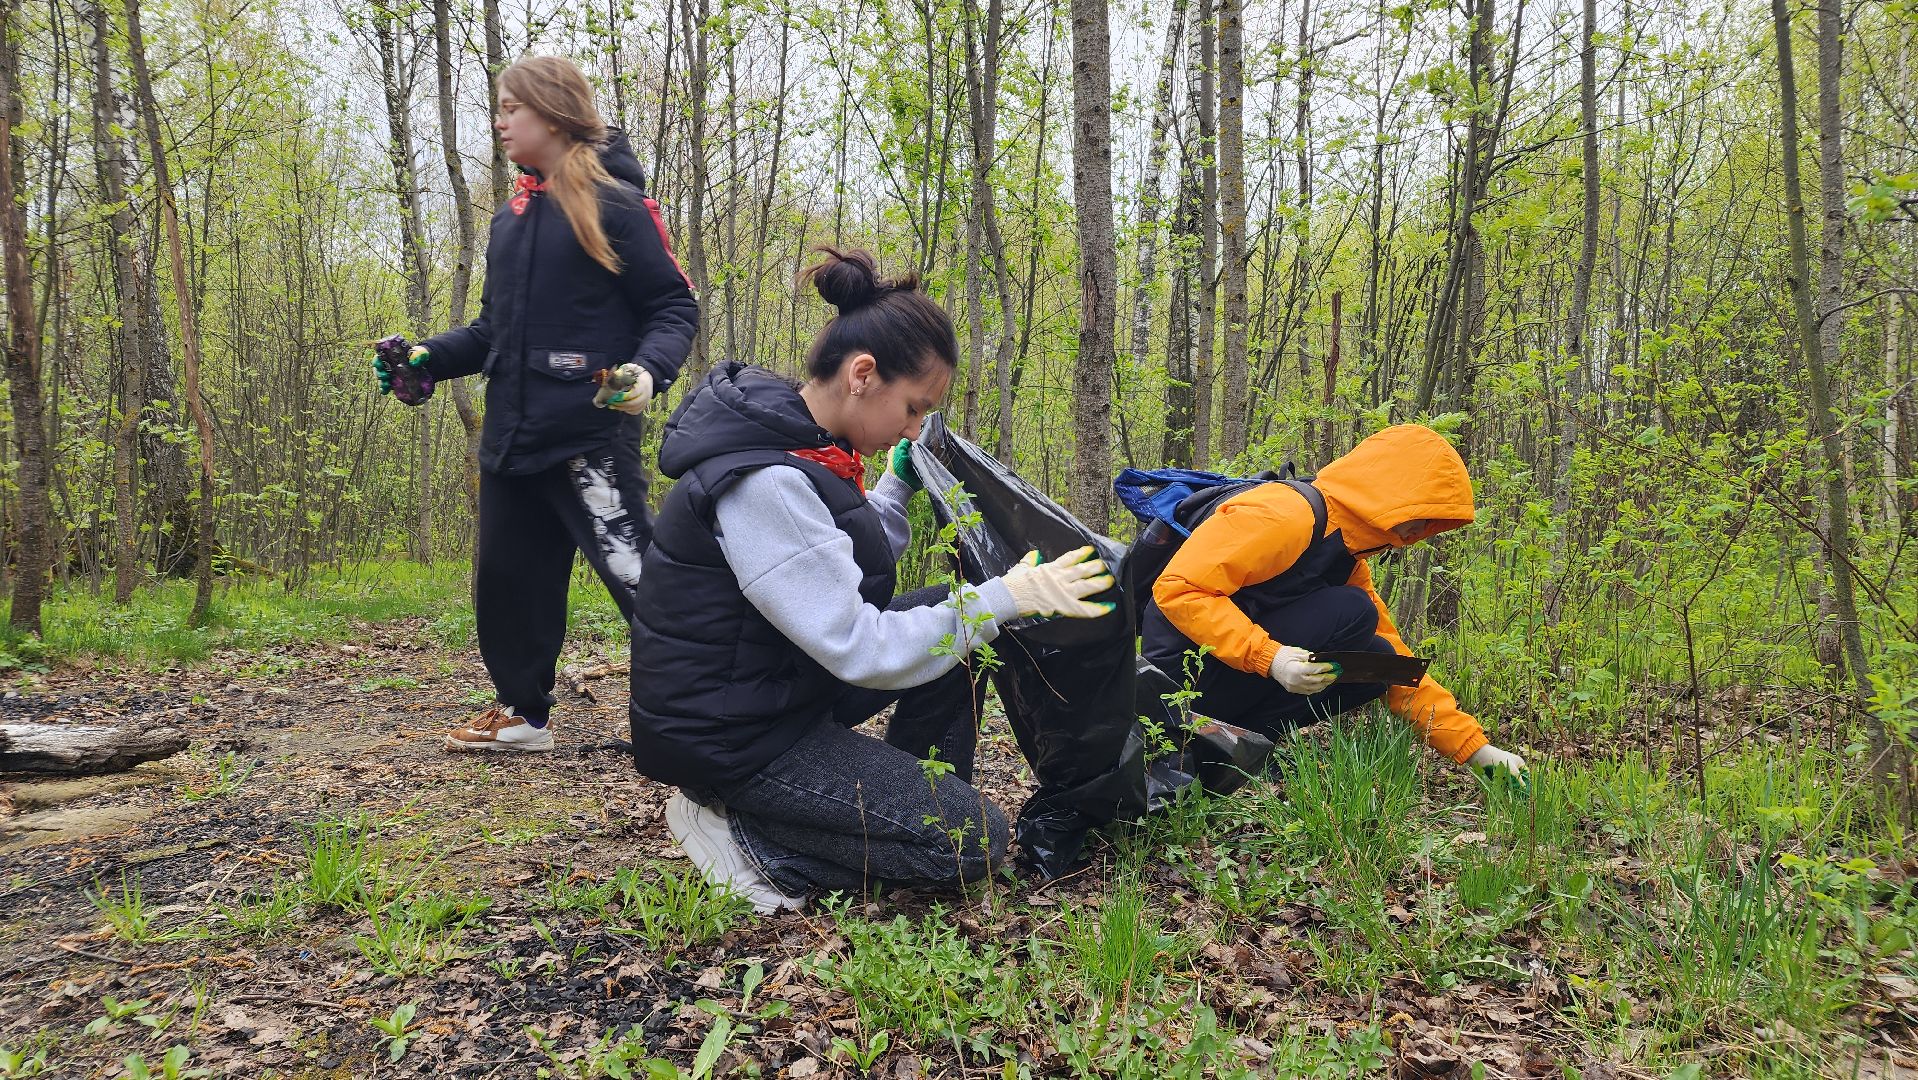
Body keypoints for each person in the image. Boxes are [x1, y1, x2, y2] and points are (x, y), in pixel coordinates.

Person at [627, 247, 1115, 913]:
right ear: (863, 375)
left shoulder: (803, 446)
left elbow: (829, 559)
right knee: (973, 840)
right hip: (733, 740)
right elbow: (858, 644)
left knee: (955, 626)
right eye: (913, 408)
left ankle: (906, 795)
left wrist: (898, 485)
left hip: (771, 694)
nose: (912, 427)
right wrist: (1005, 596)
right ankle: (742, 837)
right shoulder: (765, 480)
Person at [374, 56, 699, 754]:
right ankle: (524, 715)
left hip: (587, 434)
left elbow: (673, 304)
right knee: (507, 582)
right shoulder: (512, 219)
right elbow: (494, 332)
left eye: (509, 108)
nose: (499, 120)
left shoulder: (619, 205)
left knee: (640, 577)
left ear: (550, 113)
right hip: (512, 436)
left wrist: (648, 373)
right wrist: (430, 357)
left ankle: (715, 708)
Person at [1143, 425, 1531, 783]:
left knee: (1379, 662)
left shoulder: (1346, 556)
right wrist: (1272, 658)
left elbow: (1398, 663)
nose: (1422, 531)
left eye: (1433, 523)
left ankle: (1226, 757)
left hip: (1221, 675)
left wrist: (1477, 751)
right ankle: (1188, 743)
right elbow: (1179, 589)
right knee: (1354, 612)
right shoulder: (1285, 514)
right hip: (1178, 682)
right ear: (1390, 492)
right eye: (1422, 515)